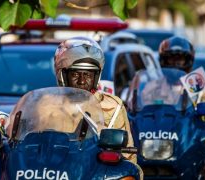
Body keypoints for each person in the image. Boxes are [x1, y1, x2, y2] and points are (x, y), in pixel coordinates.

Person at [53, 37, 140, 166]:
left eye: (88, 75)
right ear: (63, 75)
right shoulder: (46, 105)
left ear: (96, 77)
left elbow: (128, 158)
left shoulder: (112, 106)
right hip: (56, 170)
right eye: (76, 74)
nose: (82, 81)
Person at [158, 36, 205, 104]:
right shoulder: (155, 84)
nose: (175, 62)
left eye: (180, 58)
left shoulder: (197, 83)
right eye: (171, 58)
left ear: (188, 60)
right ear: (164, 60)